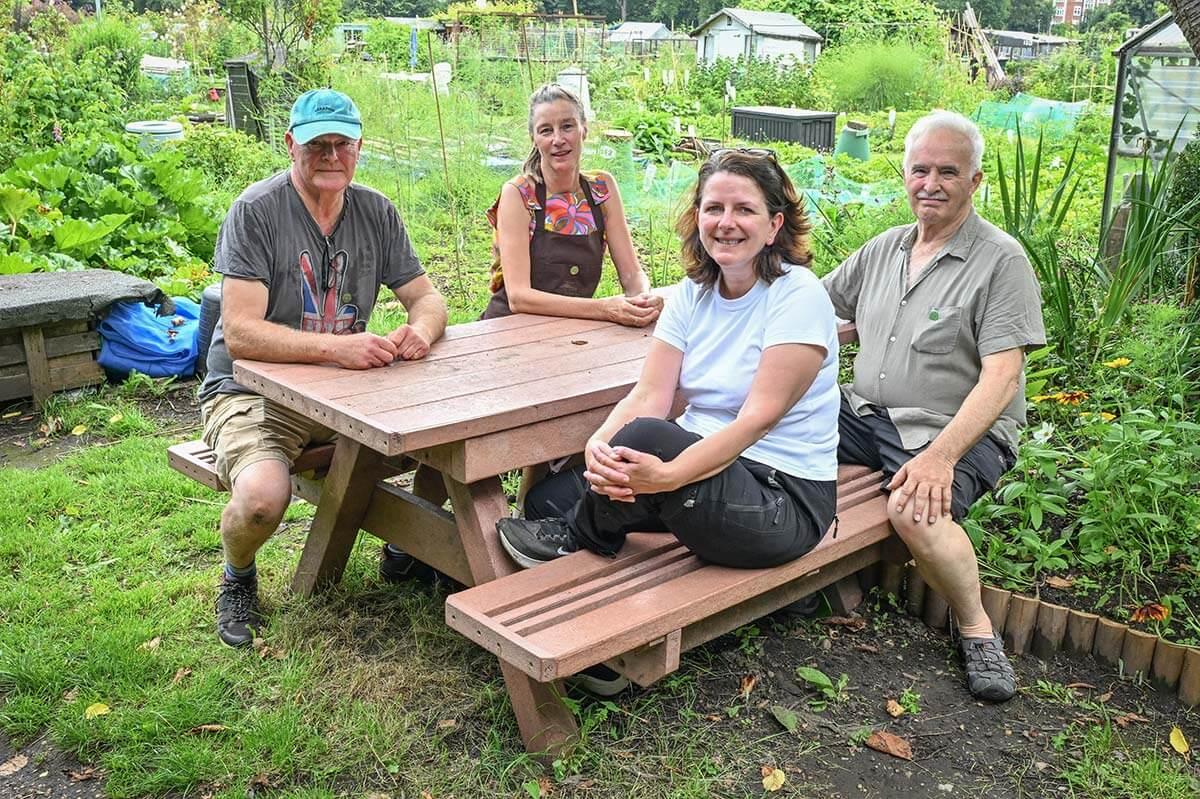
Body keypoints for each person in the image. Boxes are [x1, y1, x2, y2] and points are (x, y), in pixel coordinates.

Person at [496, 147, 840, 599]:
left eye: (744, 210)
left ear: (775, 224)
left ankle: (581, 543)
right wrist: (597, 447)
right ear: (698, 217)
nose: (726, 222)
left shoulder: (799, 296)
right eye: (714, 208)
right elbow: (649, 394)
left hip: (778, 496)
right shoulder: (692, 293)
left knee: (643, 442)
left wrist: (669, 476)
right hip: (701, 471)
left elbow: (757, 420)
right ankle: (569, 541)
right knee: (549, 498)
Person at [198, 88, 448, 648]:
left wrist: (419, 331)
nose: (330, 154)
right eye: (317, 144)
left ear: (358, 148)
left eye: (342, 143)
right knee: (264, 497)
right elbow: (240, 334)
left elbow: (428, 300)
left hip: (347, 391)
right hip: (253, 391)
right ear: (291, 145)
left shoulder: (377, 210)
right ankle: (237, 576)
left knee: (457, 436)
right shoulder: (255, 211)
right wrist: (339, 348)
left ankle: (409, 550)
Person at [822, 111, 1046, 702]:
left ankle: (975, 629)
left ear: (975, 181)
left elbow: (1003, 377)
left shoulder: (1001, 262)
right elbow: (821, 313)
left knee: (915, 511)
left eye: (948, 171)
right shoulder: (884, 249)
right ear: (904, 175)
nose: (931, 183)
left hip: (953, 431)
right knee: (767, 428)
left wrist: (942, 458)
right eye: (920, 169)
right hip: (867, 414)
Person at [484, 83, 661, 325]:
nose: (558, 139)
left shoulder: (602, 189)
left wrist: (643, 298)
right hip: (510, 330)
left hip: (571, 329)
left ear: (584, 129)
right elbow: (519, 298)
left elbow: (632, 274)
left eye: (567, 126)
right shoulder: (519, 194)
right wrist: (604, 308)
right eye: (546, 130)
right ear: (534, 139)